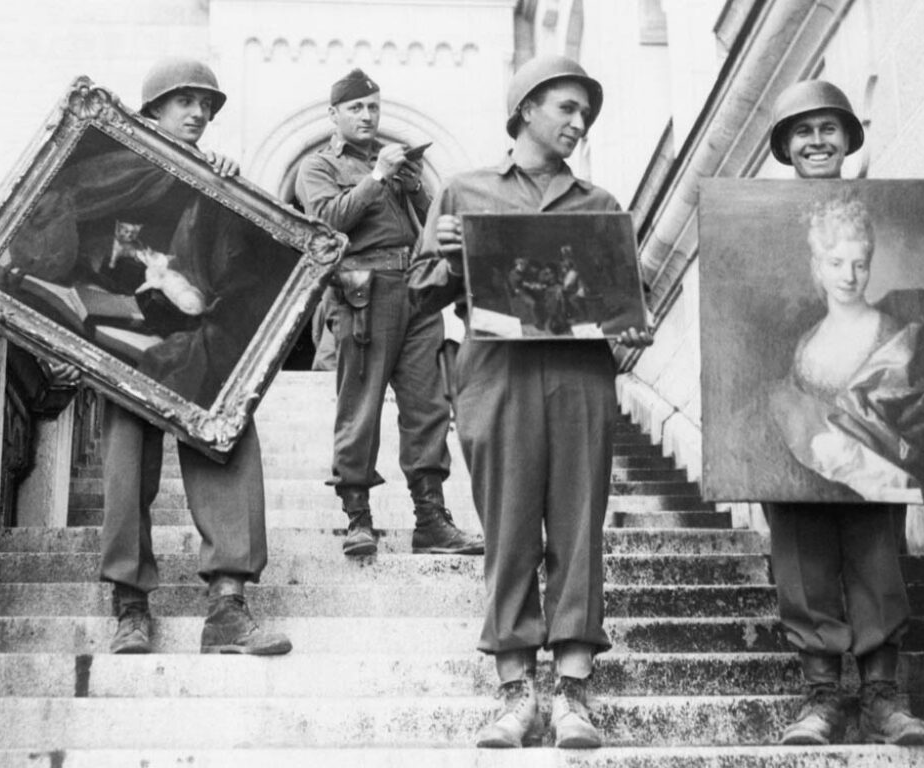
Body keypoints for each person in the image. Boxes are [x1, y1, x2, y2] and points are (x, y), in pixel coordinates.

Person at [409, 54, 651, 749]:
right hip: (496, 375)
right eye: (566, 108)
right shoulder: (463, 190)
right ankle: (516, 693)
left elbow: (626, 307)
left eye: (586, 113)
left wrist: (634, 326)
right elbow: (421, 298)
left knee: (577, 526)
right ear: (525, 110)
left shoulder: (600, 206)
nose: (578, 123)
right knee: (509, 528)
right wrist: (445, 252)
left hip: (580, 377)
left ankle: (573, 692)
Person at [88, 58, 291, 656]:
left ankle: (228, 606)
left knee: (226, 440)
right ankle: (129, 606)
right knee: (126, 467)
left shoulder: (212, 180)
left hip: (203, 341)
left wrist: (228, 193)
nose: (199, 113)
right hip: (126, 340)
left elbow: (248, 267)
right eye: (185, 101)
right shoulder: (113, 172)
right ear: (152, 109)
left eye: (207, 104)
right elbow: (81, 254)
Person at [764, 79, 924, 745]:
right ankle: (824, 698)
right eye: (801, 131)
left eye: (828, 128)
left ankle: (885, 697)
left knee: (876, 558)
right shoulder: (759, 225)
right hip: (798, 442)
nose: (815, 142)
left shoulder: (880, 215)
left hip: (872, 447)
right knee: (803, 562)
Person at [295, 68, 483, 557]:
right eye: (356, 108)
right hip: (362, 291)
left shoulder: (393, 167)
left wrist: (415, 186)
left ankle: (431, 520)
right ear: (333, 115)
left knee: (428, 407)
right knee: (360, 406)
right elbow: (326, 224)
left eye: (373, 107)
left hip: (416, 292)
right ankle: (358, 518)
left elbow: (429, 226)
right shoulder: (318, 167)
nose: (367, 115)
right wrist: (378, 177)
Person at [768, 195, 924, 504]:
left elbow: (914, 428)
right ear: (818, 267)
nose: (849, 277)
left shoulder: (894, 334)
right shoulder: (805, 343)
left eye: (859, 265)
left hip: (881, 498)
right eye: (836, 263)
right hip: (813, 500)